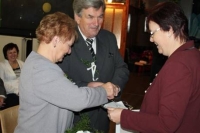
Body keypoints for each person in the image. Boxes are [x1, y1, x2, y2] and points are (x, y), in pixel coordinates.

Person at [14, 12, 119, 133]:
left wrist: (88, 86)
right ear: (56, 40)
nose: (69, 51)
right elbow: (79, 100)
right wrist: (104, 91)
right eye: (69, 45)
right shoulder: (41, 69)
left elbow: (60, 90)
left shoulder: (40, 64)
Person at [107, 2, 200, 133]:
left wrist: (124, 116)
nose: (151, 39)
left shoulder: (179, 65)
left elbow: (166, 124)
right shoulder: (193, 54)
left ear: (169, 29)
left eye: (153, 33)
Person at [58, 0, 130, 132]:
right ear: (77, 17)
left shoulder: (109, 38)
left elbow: (122, 68)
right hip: (75, 120)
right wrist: (88, 86)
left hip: (103, 119)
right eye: (90, 17)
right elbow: (59, 81)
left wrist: (114, 87)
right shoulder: (65, 40)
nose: (96, 23)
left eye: (100, 17)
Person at [0, 43, 24, 109]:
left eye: (14, 52)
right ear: (6, 54)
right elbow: (2, 83)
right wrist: (17, 91)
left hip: (23, 92)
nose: (13, 54)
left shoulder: (22, 63)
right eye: (10, 53)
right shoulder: (2, 65)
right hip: (10, 94)